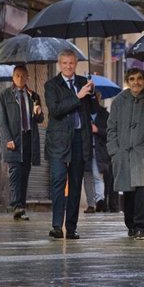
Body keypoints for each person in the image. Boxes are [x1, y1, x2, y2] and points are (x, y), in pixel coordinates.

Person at [107, 68, 144, 240]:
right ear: (127, 81)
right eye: (132, 79)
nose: (136, 82)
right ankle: (130, 224)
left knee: (142, 190)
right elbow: (111, 128)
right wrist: (114, 151)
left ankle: (141, 226)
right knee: (128, 192)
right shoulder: (118, 101)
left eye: (139, 78)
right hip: (123, 153)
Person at [44, 49, 94, 239]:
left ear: (75, 64)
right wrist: (78, 97)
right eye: (64, 63)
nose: (68, 66)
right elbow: (55, 110)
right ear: (59, 64)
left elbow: (93, 110)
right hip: (58, 141)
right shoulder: (51, 85)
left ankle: (71, 227)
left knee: (75, 184)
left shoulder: (83, 83)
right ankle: (57, 225)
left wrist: (91, 93)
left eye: (71, 63)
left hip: (80, 139)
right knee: (58, 182)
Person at [0, 65, 44, 220]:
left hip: (29, 139)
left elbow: (40, 120)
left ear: (28, 77)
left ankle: (21, 206)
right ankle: (16, 205)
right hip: (14, 140)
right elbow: (1, 121)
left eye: (23, 76)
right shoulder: (4, 95)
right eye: (17, 75)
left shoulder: (34, 96)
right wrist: (8, 139)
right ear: (13, 77)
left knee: (24, 174)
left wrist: (38, 111)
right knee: (15, 173)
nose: (20, 78)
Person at [83, 91, 114, 213]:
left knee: (97, 175)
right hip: (86, 150)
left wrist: (97, 130)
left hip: (99, 151)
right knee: (87, 177)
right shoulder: (83, 113)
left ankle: (100, 200)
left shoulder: (105, 115)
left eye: (96, 96)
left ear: (100, 98)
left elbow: (110, 133)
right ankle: (91, 204)